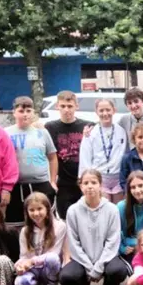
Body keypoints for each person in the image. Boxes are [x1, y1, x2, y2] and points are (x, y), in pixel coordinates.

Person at [60, 169, 128, 285]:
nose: (90, 186)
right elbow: (73, 243)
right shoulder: (73, 211)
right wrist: (89, 266)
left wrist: (99, 266)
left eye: (93, 182)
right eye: (85, 183)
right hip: (82, 259)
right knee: (66, 276)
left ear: (100, 185)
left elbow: (112, 240)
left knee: (118, 270)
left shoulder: (111, 209)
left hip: (107, 258)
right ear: (80, 186)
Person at [5, 96, 58, 228]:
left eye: (28, 111)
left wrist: (52, 181)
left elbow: (52, 157)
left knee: (44, 222)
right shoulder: (6, 133)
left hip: (40, 183)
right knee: (18, 223)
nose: (25, 114)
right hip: (16, 186)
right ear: (14, 112)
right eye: (21, 111)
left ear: (33, 112)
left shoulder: (42, 132)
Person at [15, 192, 67, 285]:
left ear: (47, 209)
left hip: (51, 267)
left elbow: (55, 253)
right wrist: (20, 265)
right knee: (20, 283)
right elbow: (23, 256)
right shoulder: (25, 231)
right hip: (34, 270)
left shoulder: (59, 226)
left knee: (52, 258)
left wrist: (32, 261)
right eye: (31, 210)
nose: (36, 213)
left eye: (39, 209)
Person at [45, 91, 93, 219]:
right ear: (57, 106)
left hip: (84, 181)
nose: (67, 110)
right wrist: (52, 179)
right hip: (64, 183)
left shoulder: (87, 126)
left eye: (70, 106)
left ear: (76, 106)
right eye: (63, 106)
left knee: (87, 219)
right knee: (66, 219)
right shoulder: (50, 127)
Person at [78, 99, 128, 203]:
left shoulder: (121, 131)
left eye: (108, 110)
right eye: (101, 110)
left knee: (118, 211)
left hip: (118, 177)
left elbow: (125, 153)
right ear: (96, 112)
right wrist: (85, 181)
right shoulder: (90, 133)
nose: (105, 113)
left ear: (114, 110)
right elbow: (85, 157)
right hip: (99, 177)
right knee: (103, 209)